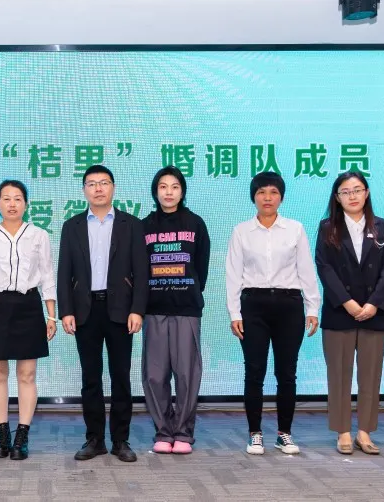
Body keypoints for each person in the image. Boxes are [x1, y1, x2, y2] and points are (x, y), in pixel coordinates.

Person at [58, 165, 148, 463]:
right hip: (85, 310)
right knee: (90, 377)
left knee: (121, 376)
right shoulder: (71, 226)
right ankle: (94, 439)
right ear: (84, 190)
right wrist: (66, 311)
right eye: (92, 183)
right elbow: (64, 272)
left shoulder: (131, 225)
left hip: (121, 309)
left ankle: (121, 440)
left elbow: (142, 272)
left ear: (113, 188)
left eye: (104, 183)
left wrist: (137, 309)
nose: (98, 188)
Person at [226, 171, 320, 456]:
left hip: (289, 305)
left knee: (286, 373)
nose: (267, 198)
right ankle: (255, 433)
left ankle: (284, 434)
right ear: (253, 197)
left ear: (281, 197)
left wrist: (312, 307)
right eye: (261, 192)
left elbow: (306, 269)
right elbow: (233, 274)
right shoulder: (241, 231)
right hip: (253, 305)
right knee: (254, 371)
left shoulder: (295, 229)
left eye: (273, 192)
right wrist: (234, 313)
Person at [0, 180, 57, 461]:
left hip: (29, 306)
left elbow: (47, 276)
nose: (12, 204)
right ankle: (3, 435)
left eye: (18, 198)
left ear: (26, 204)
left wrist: (51, 315)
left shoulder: (39, 235)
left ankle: (22, 436)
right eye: (6, 199)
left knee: (27, 374)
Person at [314, 172, 384, 455]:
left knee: (370, 376)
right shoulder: (327, 227)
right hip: (340, 312)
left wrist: (374, 303)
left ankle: (365, 432)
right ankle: (343, 432)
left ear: (367, 193)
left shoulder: (383, 226)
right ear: (337, 198)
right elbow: (324, 267)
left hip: (374, 312)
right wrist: (346, 302)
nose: (352, 196)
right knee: (339, 375)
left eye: (357, 190)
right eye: (345, 192)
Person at [140, 166, 210, 455]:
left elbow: (201, 268)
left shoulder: (195, 224)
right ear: (155, 192)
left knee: (186, 375)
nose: (168, 192)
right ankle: (163, 431)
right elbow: (139, 269)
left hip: (186, 310)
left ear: (182, 192)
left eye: (175, 187)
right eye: (163, 187)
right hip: (154, 309)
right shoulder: (144, 226)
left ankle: (183, 432)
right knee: (154, 375)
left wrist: (186, 290)